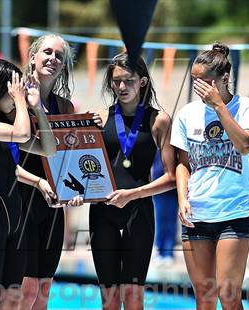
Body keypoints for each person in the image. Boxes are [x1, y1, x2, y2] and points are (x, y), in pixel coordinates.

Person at [0, 59, 80, 309]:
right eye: (15, 87)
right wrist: (20, 101)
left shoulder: (5, 125)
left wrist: (38, 108)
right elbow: (22, 134)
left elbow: (49, 150)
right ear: (0, 88)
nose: (20, 92)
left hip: (15, 220)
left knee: (13, 299)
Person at [171, 42, 249, 309]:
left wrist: (219, 107)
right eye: (194, 81)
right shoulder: (187, 114)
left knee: (228, 295)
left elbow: (244, 145)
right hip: (196, 216)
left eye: (204, 81)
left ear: (223, 79)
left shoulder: (247, 107)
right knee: (204, 296)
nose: (197, 87)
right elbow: (183, 164)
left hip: (233, 212)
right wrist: (182, 198)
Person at [90, 52, 176, 309]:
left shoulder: (158, 120)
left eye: (128, 80)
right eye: (116, 81)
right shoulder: (99, 117)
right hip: (102, 212)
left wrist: (132, 194)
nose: (122, 87)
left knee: (133, 299)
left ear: (143, 82)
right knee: (109, 300)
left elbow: (171, 178)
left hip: (138, 212)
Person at [19, 34, 77, 310]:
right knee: (24, 291)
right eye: (47, 52)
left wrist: (75, 191)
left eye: (59, 56)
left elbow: (67, 160)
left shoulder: (64, 107)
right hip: (21, 202)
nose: (53, 58)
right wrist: (39, 182)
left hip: (52, 206)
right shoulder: (14, 98)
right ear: (33, 57)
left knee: (43, 292)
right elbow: (4, 160)